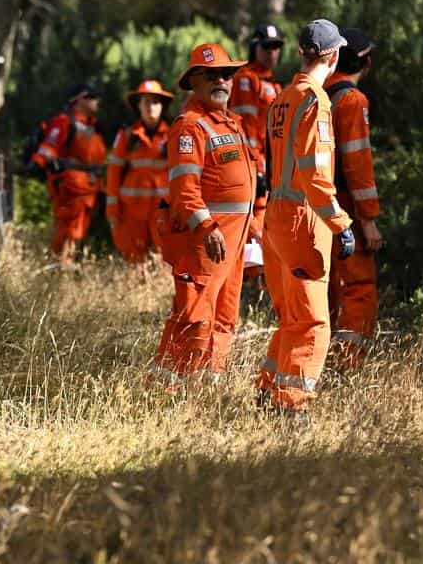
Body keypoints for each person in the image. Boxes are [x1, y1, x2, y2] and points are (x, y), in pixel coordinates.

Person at [255, 19, 356, 415]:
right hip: (303, 221)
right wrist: (341, 224)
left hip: (276, 219)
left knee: (291, 318)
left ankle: (267, 394)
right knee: (314, 324)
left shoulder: (281, 99)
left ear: (302, 53)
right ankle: (290, 408)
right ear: (332, 57)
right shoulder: (316, 102)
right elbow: (316, 176)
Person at [151, 43, 257, 385]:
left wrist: (254, 225)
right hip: (205, 242)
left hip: (233, 242)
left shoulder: (231, 123)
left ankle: (210, 384)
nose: (221, 81)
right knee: (193, 316)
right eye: (210, 75)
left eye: (226, 74)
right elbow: (184, 190)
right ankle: (168, 387)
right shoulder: (190, 126)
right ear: (193, 81)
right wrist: (207, 227)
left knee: (225, 315)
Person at [324, 27, 384, 371]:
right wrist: (369, 219)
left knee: (329, 285)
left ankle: (325, 358)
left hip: (317, 207)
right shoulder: (352, 101)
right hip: (346, 206)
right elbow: (358, 164)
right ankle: (348, 364)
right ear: (365, 61)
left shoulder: (316, 96)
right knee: (359, 286)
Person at [31, 84, 108, 266]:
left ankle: (67, 267)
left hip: (88, 190)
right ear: (77, 101)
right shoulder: (64, 122)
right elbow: (48, 148)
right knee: (67, 232)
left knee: (77, 233)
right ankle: (58, 270)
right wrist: (36, 164)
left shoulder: (92, 126)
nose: (96, 101)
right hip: (70, 189)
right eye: (91, 96)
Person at [106, 79, 175, 263]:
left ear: (162, 107)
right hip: (132, 212)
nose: (151, 107)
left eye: (155, 102)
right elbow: (113, 172)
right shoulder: (127, 136)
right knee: (134, 261)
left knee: (165, 260)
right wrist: (112, 209)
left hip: (163, 211)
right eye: (146, 102)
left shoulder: (174, 135)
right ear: (139, 106)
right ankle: (137, 292)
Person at [230, 23, 284, 159]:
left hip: (271, 162)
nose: (272, 52)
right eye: (267, 46)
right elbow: (244, 127)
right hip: (254, 161)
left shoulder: (275, 85)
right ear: (254, 47)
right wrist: (256, 164)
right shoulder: (245, 79)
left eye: (276, 46)